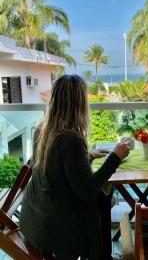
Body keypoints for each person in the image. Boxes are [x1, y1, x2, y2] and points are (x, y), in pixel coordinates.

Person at [19, 74, 130, 260]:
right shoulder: (72, 139)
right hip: (56, 229)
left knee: (103, 197)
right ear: (79, 104)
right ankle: (102, 257)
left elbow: (56, 165)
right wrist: (115, 157)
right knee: (103, 198)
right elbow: (87, 190)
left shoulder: (42, 129)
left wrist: (88, 156)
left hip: (33, 219)